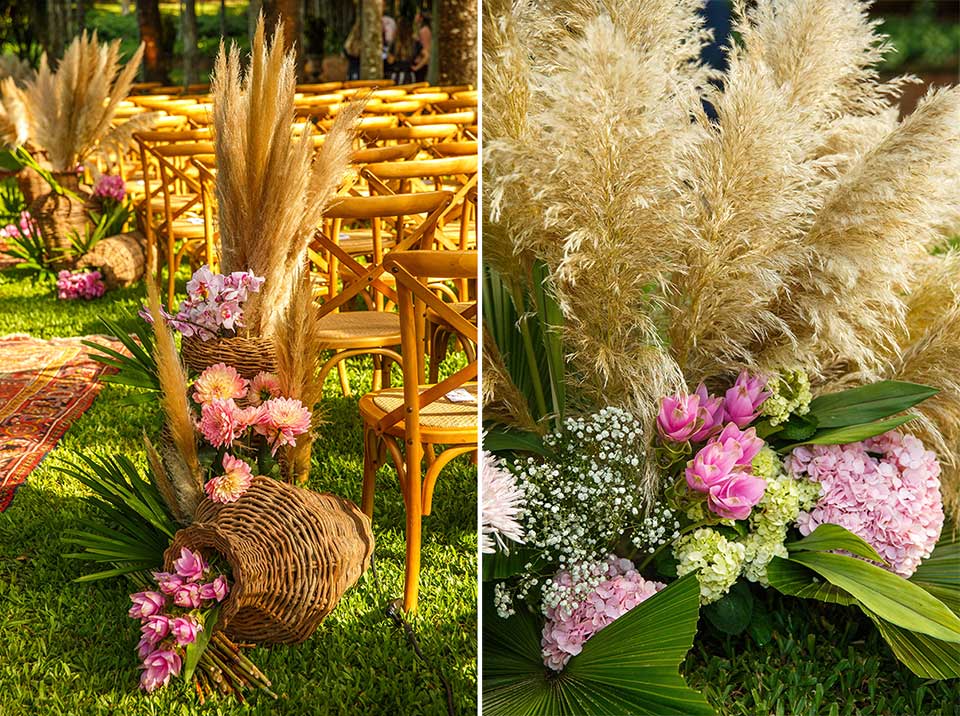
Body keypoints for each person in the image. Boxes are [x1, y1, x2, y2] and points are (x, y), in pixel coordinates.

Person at [387, 16, 415, 85]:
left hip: (397, 75)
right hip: (410, 75)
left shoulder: (395, 43)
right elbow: (426, 55)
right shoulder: (413, 42)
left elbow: (390, 61)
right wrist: (416, 67)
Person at [411, 10, 432, 83]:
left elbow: (426, 49)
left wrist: (417, 67)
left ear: (421, 18)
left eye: (416, 15)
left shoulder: (424, 31)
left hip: (421, 63)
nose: (414, 17)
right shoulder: (423, 29)